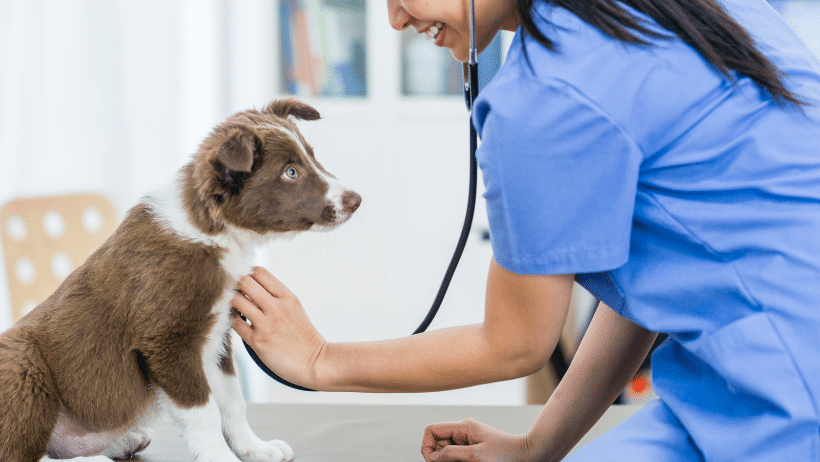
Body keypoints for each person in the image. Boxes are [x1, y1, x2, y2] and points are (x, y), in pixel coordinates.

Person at [231, 0, 820, 460]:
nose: (393, 18)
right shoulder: (663, 17)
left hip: (791, 398)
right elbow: (656, 273)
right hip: (731, 388)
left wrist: (318, 359)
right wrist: (539, 447)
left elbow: (515, 342)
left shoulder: (544, 97)